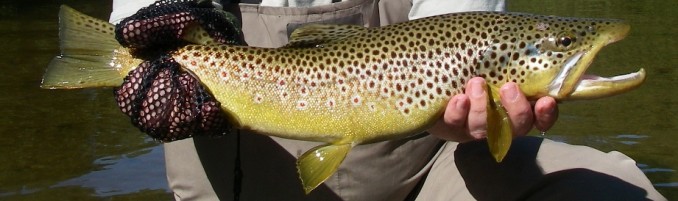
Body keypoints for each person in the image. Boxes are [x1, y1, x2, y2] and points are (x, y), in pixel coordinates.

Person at [109, 0, 666, 200]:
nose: (576, 50)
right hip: (234, 170)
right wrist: (157, 19)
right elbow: (144, 14)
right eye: (565, 46)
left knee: (611, 190)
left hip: (414, 183)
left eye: (563, 46)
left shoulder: (479, 47)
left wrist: (463, 123)